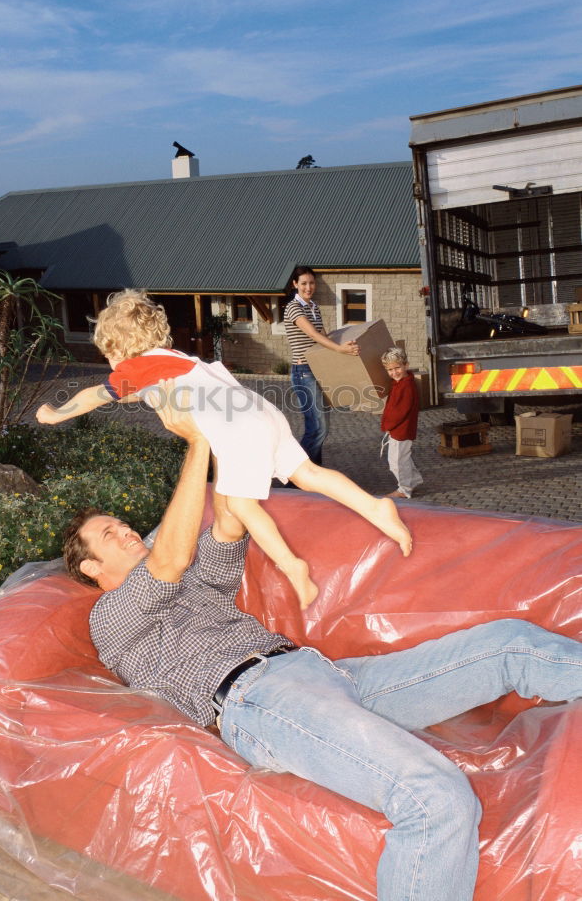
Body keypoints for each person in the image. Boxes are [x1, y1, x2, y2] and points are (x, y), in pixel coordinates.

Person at [63, 385, 582, 901]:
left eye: (125, 524)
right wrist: (195, 444)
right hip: (259, 701)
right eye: (110, 535)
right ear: (91, 568)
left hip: (328, 673)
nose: (128, 531)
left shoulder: (195, 578)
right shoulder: (111, 618)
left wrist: (224, 434)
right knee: (435, 798)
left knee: (509, 645)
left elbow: (226, 519)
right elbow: (166, 563)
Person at [39, 290, 412, 609]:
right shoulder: (175, 360)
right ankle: (376, 506)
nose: (110, 366)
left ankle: (292, 566)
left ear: (119, 349)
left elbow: (96, 395)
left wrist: (56, 413)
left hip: (238, 429)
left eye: (108, 356)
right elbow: (133, 395)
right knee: (308, 473)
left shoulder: (137, 368)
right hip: (259, 411)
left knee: (241, 505)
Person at [283, 266, 358, 466]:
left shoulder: (314, 307)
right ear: (295, 284)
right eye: (304, 283)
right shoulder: (293, 307)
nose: (309, 287)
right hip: (303, 372)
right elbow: (313, 335)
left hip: (318, 370)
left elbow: (323, 337)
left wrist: (345, 346)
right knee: (317, 428)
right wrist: (340, 350)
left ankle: (313, 474)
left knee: (321, 428)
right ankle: (297, 476)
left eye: (312, 283)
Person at [380, 346, 423, 499]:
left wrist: (387, 425)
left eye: (397, 368)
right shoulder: (400, 383)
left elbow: (400, 411)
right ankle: (414, 480)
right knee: (403, 457)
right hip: (400, 429)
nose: (394, 372)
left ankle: (404, 489)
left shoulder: (405, 386)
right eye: (390, 370)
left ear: (406, 365)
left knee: (397, 461)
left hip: (401, 430)